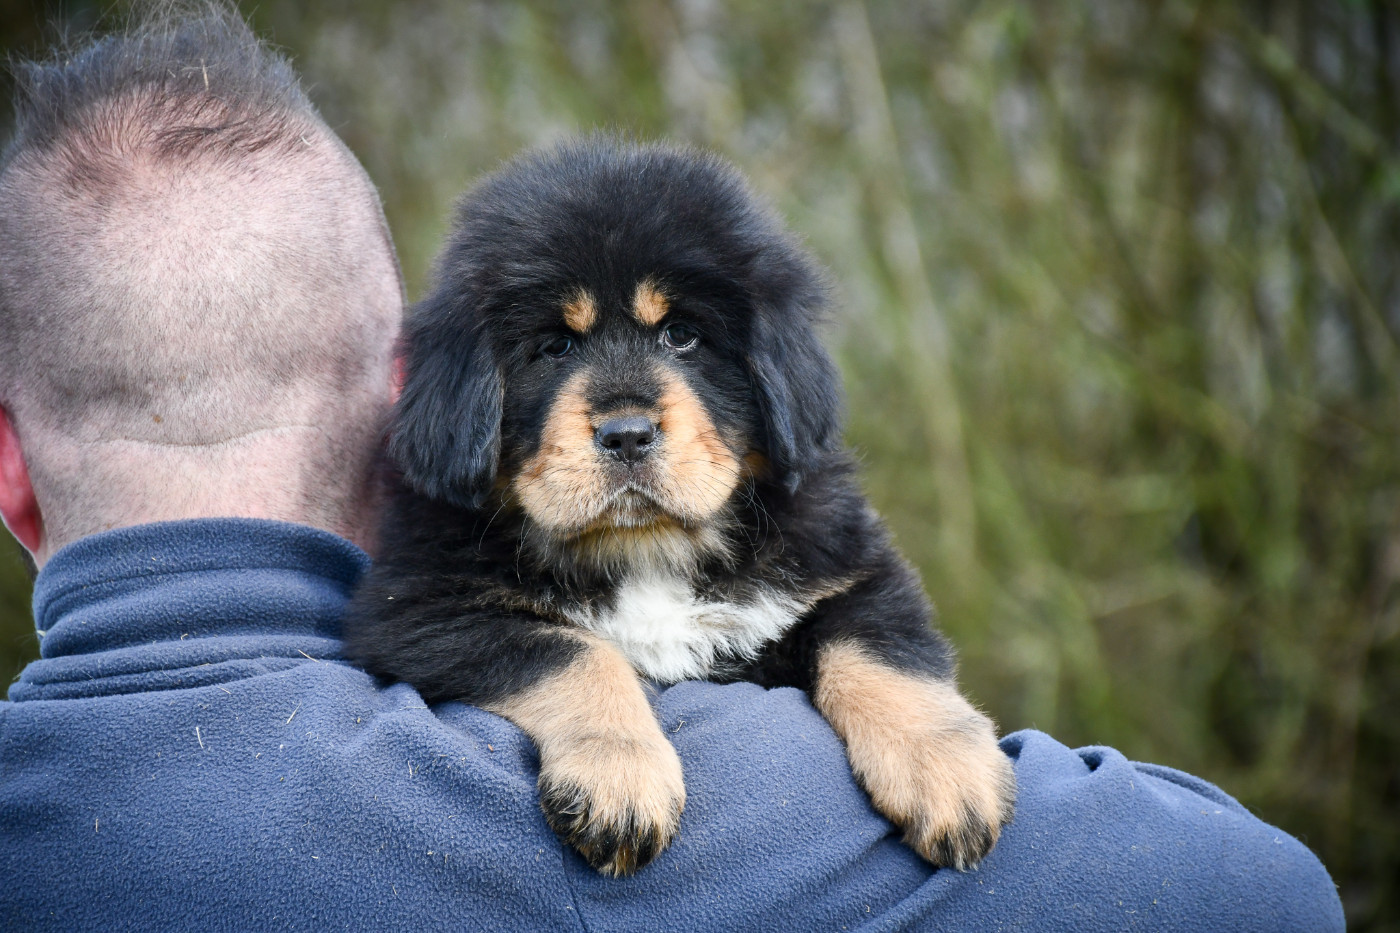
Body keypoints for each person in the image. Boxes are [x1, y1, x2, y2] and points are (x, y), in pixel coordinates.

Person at [0, 6, 1344, 931]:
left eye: (687, 335)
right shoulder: (630, 838)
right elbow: (1265, 893)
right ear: (425, 408)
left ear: (11, 471)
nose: (630, 405)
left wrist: (891, 693)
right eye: (554, 351)